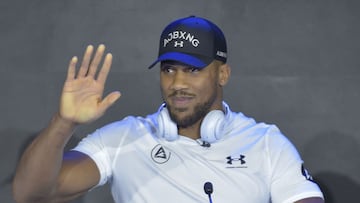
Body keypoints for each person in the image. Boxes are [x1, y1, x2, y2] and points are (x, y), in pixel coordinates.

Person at [12, 16, 324, 203]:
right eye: (169, 69)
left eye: (192, 70)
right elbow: (31, 193)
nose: (177, 83)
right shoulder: (124, 138)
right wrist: (64, 122)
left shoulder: (265, 143)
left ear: (223, 75)